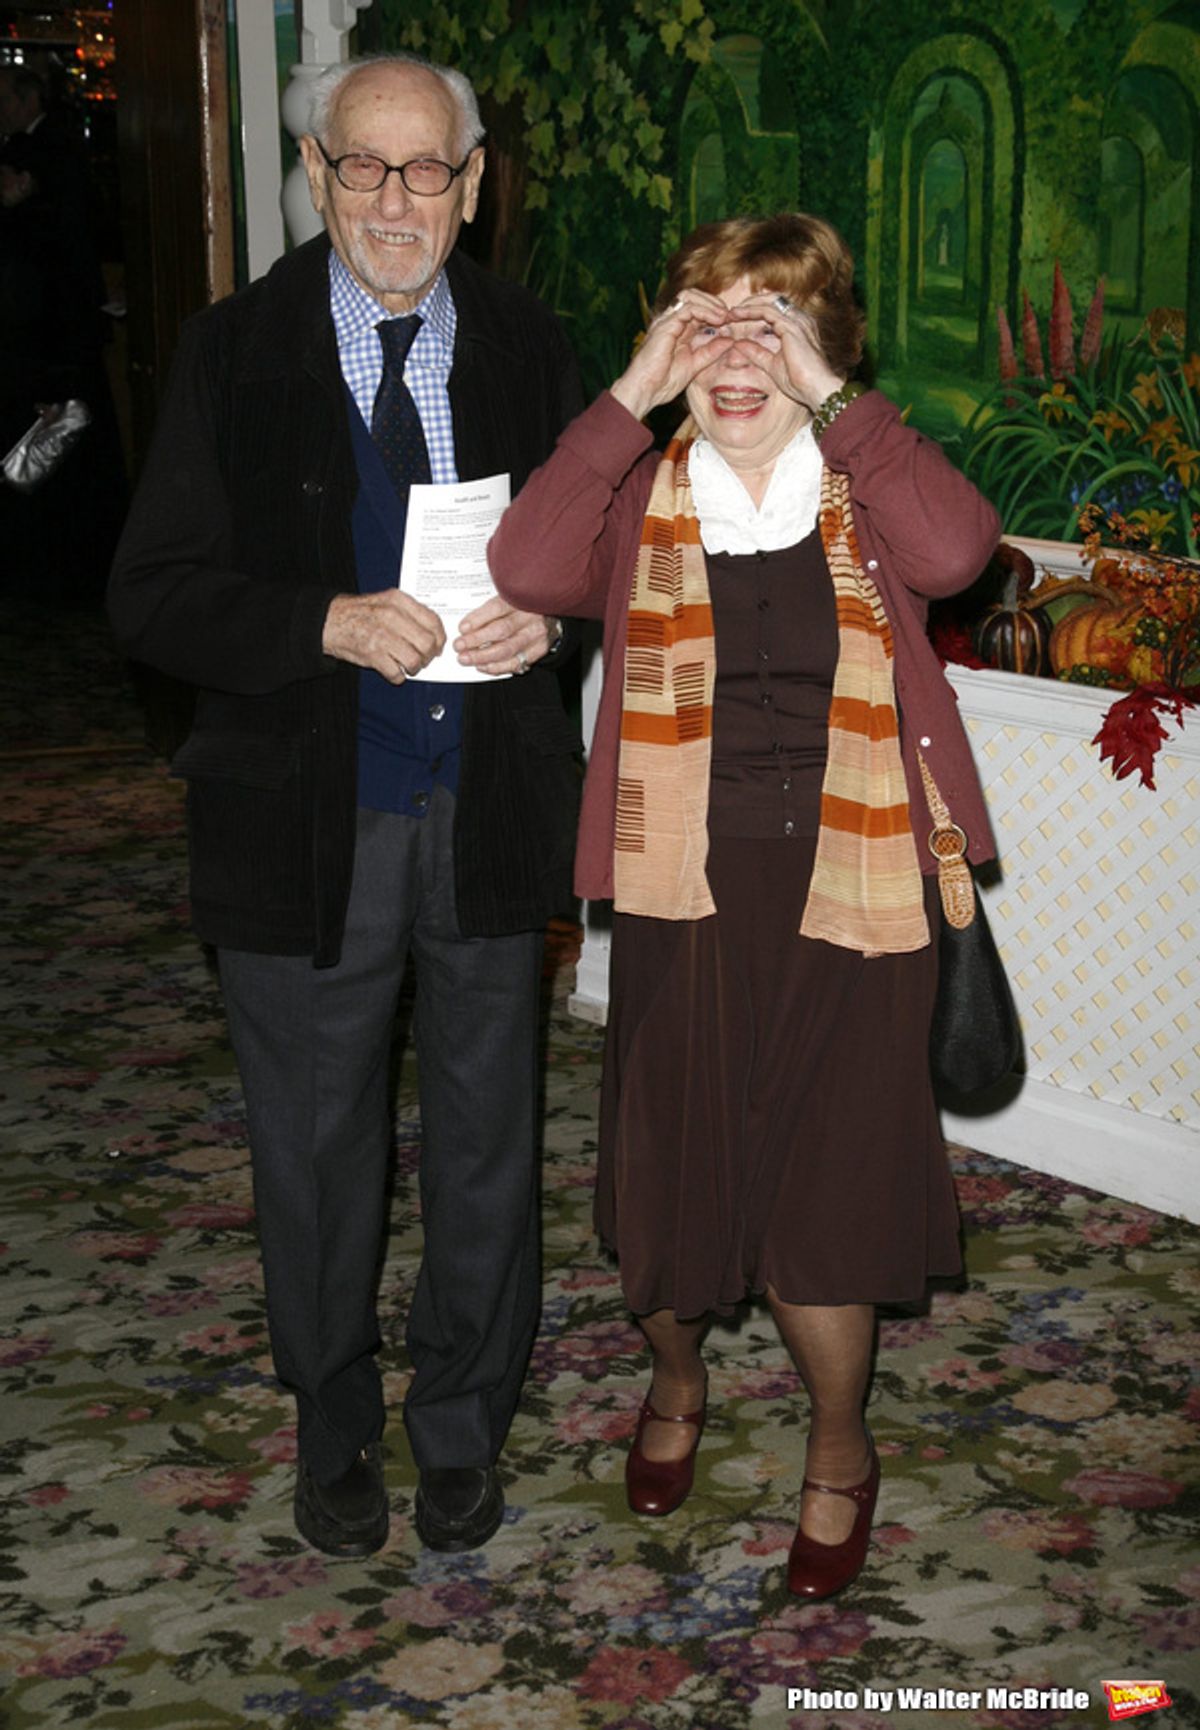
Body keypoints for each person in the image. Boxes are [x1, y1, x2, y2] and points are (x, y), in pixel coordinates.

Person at [107, 53, 583, 1558]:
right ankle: (332, 1420)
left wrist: (553, 624)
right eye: (362, 167)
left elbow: (602, 553)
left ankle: (461, 1421)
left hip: (490, 808)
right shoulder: (231, 353)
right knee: (315, 1152)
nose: (395, 198)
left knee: (490, 1140)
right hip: (305, 820)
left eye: (426, 169)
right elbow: (152, 594)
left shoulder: (528, 345)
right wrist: (316, 618)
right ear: (313, 176)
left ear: (472, 181)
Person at [489, 212, 1001, 1599]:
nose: (734, 352)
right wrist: (623, 398)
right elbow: (527, 569)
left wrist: (832, 395)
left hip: (857, 889)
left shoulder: (863, 487)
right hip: (685, 891)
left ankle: (840, 1441)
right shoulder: (644, 495)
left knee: (822, 1204)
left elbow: (958, 554)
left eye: (767, 322)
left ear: (824, 347)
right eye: (704, 320)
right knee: (674, 1183)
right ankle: (675, 1380)